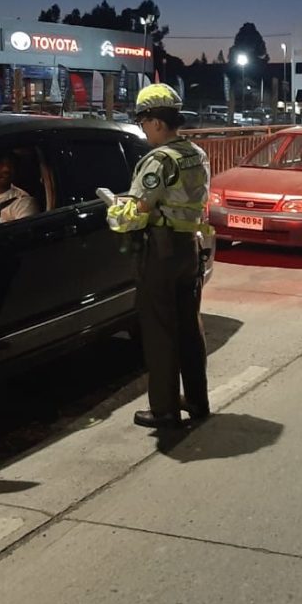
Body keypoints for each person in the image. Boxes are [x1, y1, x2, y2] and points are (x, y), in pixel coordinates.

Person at [107, 84, 212, 430]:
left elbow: (137, 211)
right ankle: (197, 400)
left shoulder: (157, 160)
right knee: (189, 329)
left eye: (142, 122)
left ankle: (164, 410)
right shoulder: (196, 153)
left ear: (154, 121)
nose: (142, 129)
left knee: (159, 332)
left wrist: (114, 211)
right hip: (189, 248)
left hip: (161, 251)